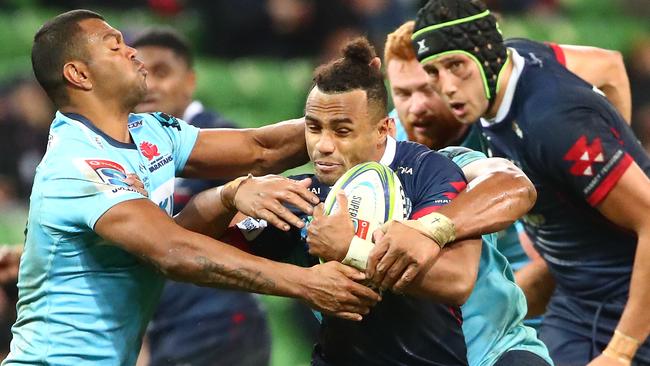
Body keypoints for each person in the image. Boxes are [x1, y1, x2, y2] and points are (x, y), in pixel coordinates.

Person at [3, 10, 382, 365]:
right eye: (115, 46)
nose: (133, 51)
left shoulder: (148, 131)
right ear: (79, 75)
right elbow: (172, 250)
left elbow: (260, 149)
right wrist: (304, 282)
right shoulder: (77, 164)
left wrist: (353, 112)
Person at [228, 37, 548, 366]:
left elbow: (514, 186)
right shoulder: (319, 184)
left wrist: (428, 229)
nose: (417, 106)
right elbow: (190, 247)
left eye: (427, 90)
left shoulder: (448, 164)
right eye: (405, 93)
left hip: (490, 350)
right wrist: (231, 193)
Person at [411, 0, 650, 364]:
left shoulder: (557, 124)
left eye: (456, 66)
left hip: (629, 301)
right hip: (575, 297)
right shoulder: (518, 59)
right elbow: (609, 67)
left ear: (487, 54)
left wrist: (619, 352)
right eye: (433, 71)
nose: (447, 87)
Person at [131, 28, 270, 366]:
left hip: (219, 323)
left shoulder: (218, 141)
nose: (150, 86)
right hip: (164, 325)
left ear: (190, 81)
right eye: (140, 75)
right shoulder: (124, 151)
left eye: (162, 72)